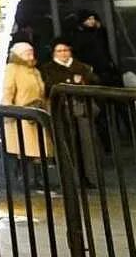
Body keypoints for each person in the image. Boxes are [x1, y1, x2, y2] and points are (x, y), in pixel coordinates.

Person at [42, 40, 102, 184]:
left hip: (82, 109)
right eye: (59, 51)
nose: (63, 53)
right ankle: (73, 178)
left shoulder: (82, 67)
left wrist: (80, 82)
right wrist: (72, 83)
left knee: (87, 144)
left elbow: (95, 81)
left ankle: (91, 177)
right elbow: (49, 87)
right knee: (68, 144)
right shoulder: (47, 69)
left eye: (66, 50)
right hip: (61, 112)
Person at [1, 42, 50, 198]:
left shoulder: (34, 70)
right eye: (27, 53)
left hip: (36, 113)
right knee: (24, 149)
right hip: (20, 116)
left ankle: (36, 179)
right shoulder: (12, 70)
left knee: (37, 150)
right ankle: (25, 180)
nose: (31, 55)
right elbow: (7, 91)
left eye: (31, 52)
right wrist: (8, 111)